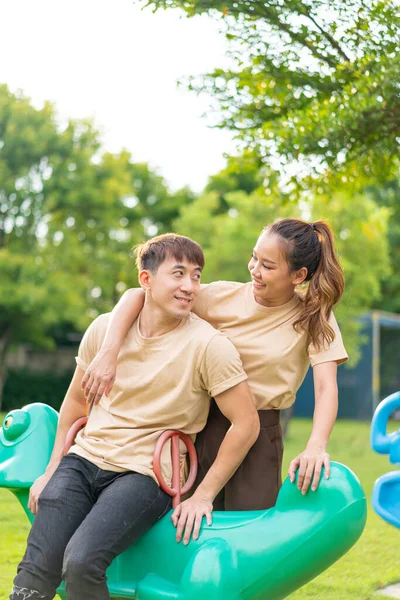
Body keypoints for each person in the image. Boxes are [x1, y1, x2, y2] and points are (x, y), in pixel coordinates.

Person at [10, 234, 259, 600]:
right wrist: (52, 468)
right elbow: (75, 405)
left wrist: (204, 495)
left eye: (196, 275)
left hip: (145, 474)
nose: (189, 286)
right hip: (83, 459)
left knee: (81, 563)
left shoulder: (209, 346)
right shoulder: (103, 330)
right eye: (178, 274)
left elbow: (247, 423)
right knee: (35, 569)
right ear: (146, 280)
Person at [82, 218, 348, 512]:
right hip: (202, 426)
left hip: (259, 435)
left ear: (298, 275)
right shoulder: (221, 296)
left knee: (248, 535)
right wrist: (109, 350)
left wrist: (316, 445)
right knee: (185, 523)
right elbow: (141, 295)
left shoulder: (314, 317)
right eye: (254, 257)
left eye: (268, 266)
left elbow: (326, 387)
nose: (254, 270)